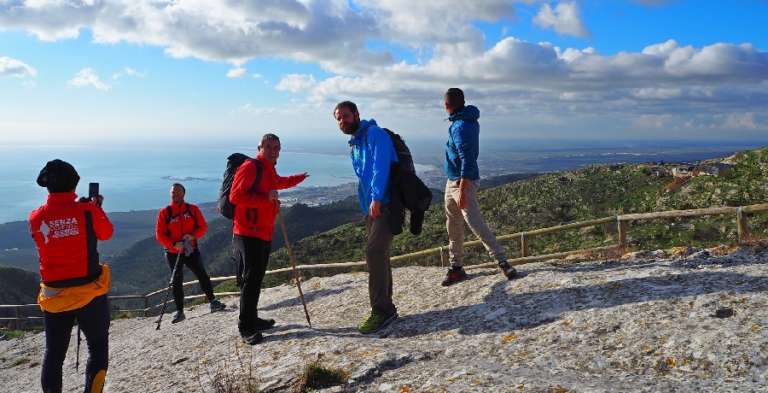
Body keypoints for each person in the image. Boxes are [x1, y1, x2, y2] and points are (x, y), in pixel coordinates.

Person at [29, 159, 113, 393]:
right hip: (90, 293)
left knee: (53, 355)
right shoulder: (87, 210)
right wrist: (96, 208)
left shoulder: (36, 217)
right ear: (74, 185)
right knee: (97, 348)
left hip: (54, 296)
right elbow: (106, 233)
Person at [229, 133, 308, 345]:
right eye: (269, 146)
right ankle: (246, 327)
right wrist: (266, 199)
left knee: (256, 279)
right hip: (247, 232)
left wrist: (299, 178)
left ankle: (252, 319)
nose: (274, 150)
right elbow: (235, 197)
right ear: (260, 147)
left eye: (277, 147)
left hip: (263, 232)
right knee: (251, 280)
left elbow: (278, 183)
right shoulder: (250, 167)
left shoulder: (268, 168)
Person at [333, 101, 399, 334]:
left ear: (357, 114)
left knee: (374, 251)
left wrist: (377, 197)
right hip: (371, 207)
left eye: (346, 116)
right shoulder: (356, 143)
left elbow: (382, 167)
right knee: (379, 253)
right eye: (338, 119)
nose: (342, 122)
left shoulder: (375, 134)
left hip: (386, 202)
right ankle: (387, 308)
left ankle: (381, 310)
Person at [441, 88, 518, 286]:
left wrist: (463, 189)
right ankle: (456, 267)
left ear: (447, 105)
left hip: (461, 182)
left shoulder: (460, 126)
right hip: (454, 180)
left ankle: (502, 262)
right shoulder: (467, 120)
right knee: (454, 225)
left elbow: (467, 158)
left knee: (473, 223)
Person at [155, 183, 225, 324]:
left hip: (190, 249)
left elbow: (203, 227)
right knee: (177, 281)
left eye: (177, 192)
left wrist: (193, 236)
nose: (175, 194)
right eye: (173, 192)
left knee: (202, 274)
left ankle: (213, 301)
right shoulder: (165, 212)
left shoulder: (192, 209)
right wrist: (174, 244)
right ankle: (180, 311)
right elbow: (159, 234)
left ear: (183, 194)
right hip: (173, 252)